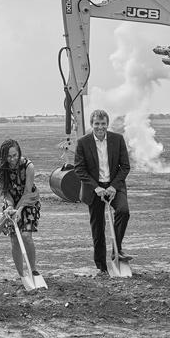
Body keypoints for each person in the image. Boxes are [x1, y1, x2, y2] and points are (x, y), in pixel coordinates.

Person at [73, 109, 133, 275]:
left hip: (115, 185)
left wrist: (113, 186)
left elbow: (125, 166)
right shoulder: (83, 142)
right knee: (98, 228)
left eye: (103, 123)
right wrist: (96, 187)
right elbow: (79, 168)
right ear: (91, 124)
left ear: (107, 124)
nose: (100, 127)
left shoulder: (117, 139)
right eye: (97, 124)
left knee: (123, 211)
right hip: (94, 188)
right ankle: (101, 267)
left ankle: (116, 250)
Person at [0, 139, 42, 279]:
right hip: (11, 201)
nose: (12, 159)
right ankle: (22, 276)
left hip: (28, 201)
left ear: (19, 153)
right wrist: (10, 207)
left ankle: (33, 271)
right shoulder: (0, 166)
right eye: (8, 156)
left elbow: (27, 192)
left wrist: (19, 210)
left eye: (15, 155)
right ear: (3, 156)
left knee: (26, 236)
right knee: (15, 239)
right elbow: (5, 192)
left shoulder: (28, 166)